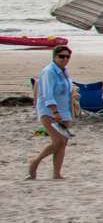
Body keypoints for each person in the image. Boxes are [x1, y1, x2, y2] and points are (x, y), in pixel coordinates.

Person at [29, 43, 73, 180]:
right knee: (57, 142)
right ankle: (35, 161)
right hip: (49, 111)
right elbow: (47, 94)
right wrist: (55, 112)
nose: (65, 59)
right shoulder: (49, 72)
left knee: (63, 143)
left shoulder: (64, 71)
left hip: (64, 110)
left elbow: (67, 91)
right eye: (62, 56)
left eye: (67, 57)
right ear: (54, 57)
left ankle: (56, 173)